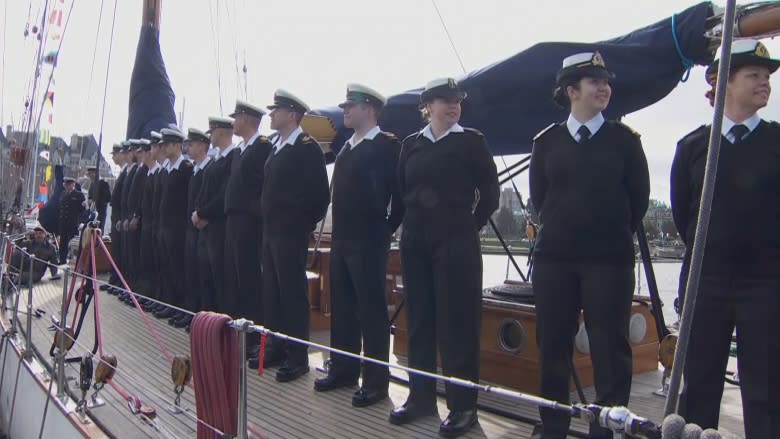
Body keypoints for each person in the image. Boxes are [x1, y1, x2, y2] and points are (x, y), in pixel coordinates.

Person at [529, 52, 649, 439]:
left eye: (606, 82)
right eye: (594, 81)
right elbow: (540, 198)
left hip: (608, 260)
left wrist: (607, 233)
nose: (604, 88)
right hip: (555, 260)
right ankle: (553, 426)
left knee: (609, 348)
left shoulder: (625, 142)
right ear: (571, 91)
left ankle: (606, 430)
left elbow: (639, 199)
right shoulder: (546, 143)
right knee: (552, 345)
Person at [671, 39, 780, 439]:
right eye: (754, 75)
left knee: (767, 388)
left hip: (766, 283)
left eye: (768, 77)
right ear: (726, 82)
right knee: (698, 386)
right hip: (707, 282)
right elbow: (686, 218)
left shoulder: (777, 143)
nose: (765, 83)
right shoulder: (694, 147)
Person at [390, 78, 499, 437]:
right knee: (419, 322)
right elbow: (402, 191)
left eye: (457, 101)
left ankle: (463, 407)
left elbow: (491, 195)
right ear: (427, 106)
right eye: (444, 101)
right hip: (416, 242)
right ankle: (421, 396)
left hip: (457, 242)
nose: (453, 106)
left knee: (458, 325)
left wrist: (468, 226)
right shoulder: (411, 145)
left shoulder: (472, 142)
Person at [314, 84, 404, 408]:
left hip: (369, 241)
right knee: (343, 309)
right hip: (342, 242)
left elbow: (401, 197)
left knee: (372, 312)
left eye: (350, 106)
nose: (345, 111)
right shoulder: (346, 150)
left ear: (368, 108)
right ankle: (344, 369)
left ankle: (377, 381)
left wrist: (385, 232)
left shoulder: (386, 146)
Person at [261, 89, 330, 382]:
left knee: (292, 294)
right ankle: (278, 346)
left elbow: (320, 196)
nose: (271, 115)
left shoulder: (306, 147)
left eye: (276, 110)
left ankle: (298, 356)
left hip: (290, 233)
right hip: (271, 233)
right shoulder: (277, 146)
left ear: (292, 114)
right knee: (273, 293)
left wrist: (300, 224)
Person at [223, 101, 272, 367]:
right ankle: (238, 334)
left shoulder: (261, 147)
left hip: (250, 224)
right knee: (235, 280)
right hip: (234, 222)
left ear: (249, 119)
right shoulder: (240, 150)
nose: (234, 121)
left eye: (238, 117)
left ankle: (254, 339)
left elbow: (264, 185)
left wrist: (254, 212)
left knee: (250, 281)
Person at [192, 117, 236, 314]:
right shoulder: (218, 159)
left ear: (222, 132)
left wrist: (202, 213)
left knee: (221, 280)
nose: (211, 135)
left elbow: (225, 194)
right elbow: (204, 192)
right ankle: (207, 322)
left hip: (220, 228)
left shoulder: (233, 157)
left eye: (213, 131)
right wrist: (198, 213)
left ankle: (220, 323)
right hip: (207, 229)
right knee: (206, 277)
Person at [155, 128, 193, 321]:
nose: (165, 148)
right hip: (164, 226)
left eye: (168, 144)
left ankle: (182, 307)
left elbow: (188, 198)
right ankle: (170, 304)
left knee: (179, 269)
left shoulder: (185, 168)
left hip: (177, 228)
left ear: (178, 145)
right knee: (166, 267)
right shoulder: (167, 169)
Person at [178, 128, 212, 328]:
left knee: (202, 277)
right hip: (190, 229)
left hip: (203, 229)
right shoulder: (194, 170)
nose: (188, 148)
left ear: (202, 146)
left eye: (191, 145)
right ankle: (191, 312)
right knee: (190, 273)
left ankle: (201, 318)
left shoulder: (208, 169)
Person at [103, 144, 127, 292]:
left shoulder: (128, 172)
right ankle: (115, 280)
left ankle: (120, 282)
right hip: (118, 218)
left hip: (122, 218)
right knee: (117, 251)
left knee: (122, 253)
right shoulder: (124, 172)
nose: (113, 157)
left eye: (115, 154)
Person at [58, 177, 86, 264]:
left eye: (69, 184)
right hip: (63, 222)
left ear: (73, 184)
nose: (67, 186)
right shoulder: (63, 194)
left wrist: (81, 222)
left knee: (72, 242)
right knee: (63, 242)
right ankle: (62, 260)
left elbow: (82, 210)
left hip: (73, 222)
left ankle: (72, 261)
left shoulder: (79, 195)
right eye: (66, 184)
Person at [87, 165, 111, 231]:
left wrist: (97, 200)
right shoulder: (92, 184)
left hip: (100, 212)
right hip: (93, 212)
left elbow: (108, 197)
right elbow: (90, 196)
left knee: (98, 230)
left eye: (91, 174)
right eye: (89, 174)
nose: (90, 176)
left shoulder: (103, 183)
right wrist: (90, 200)